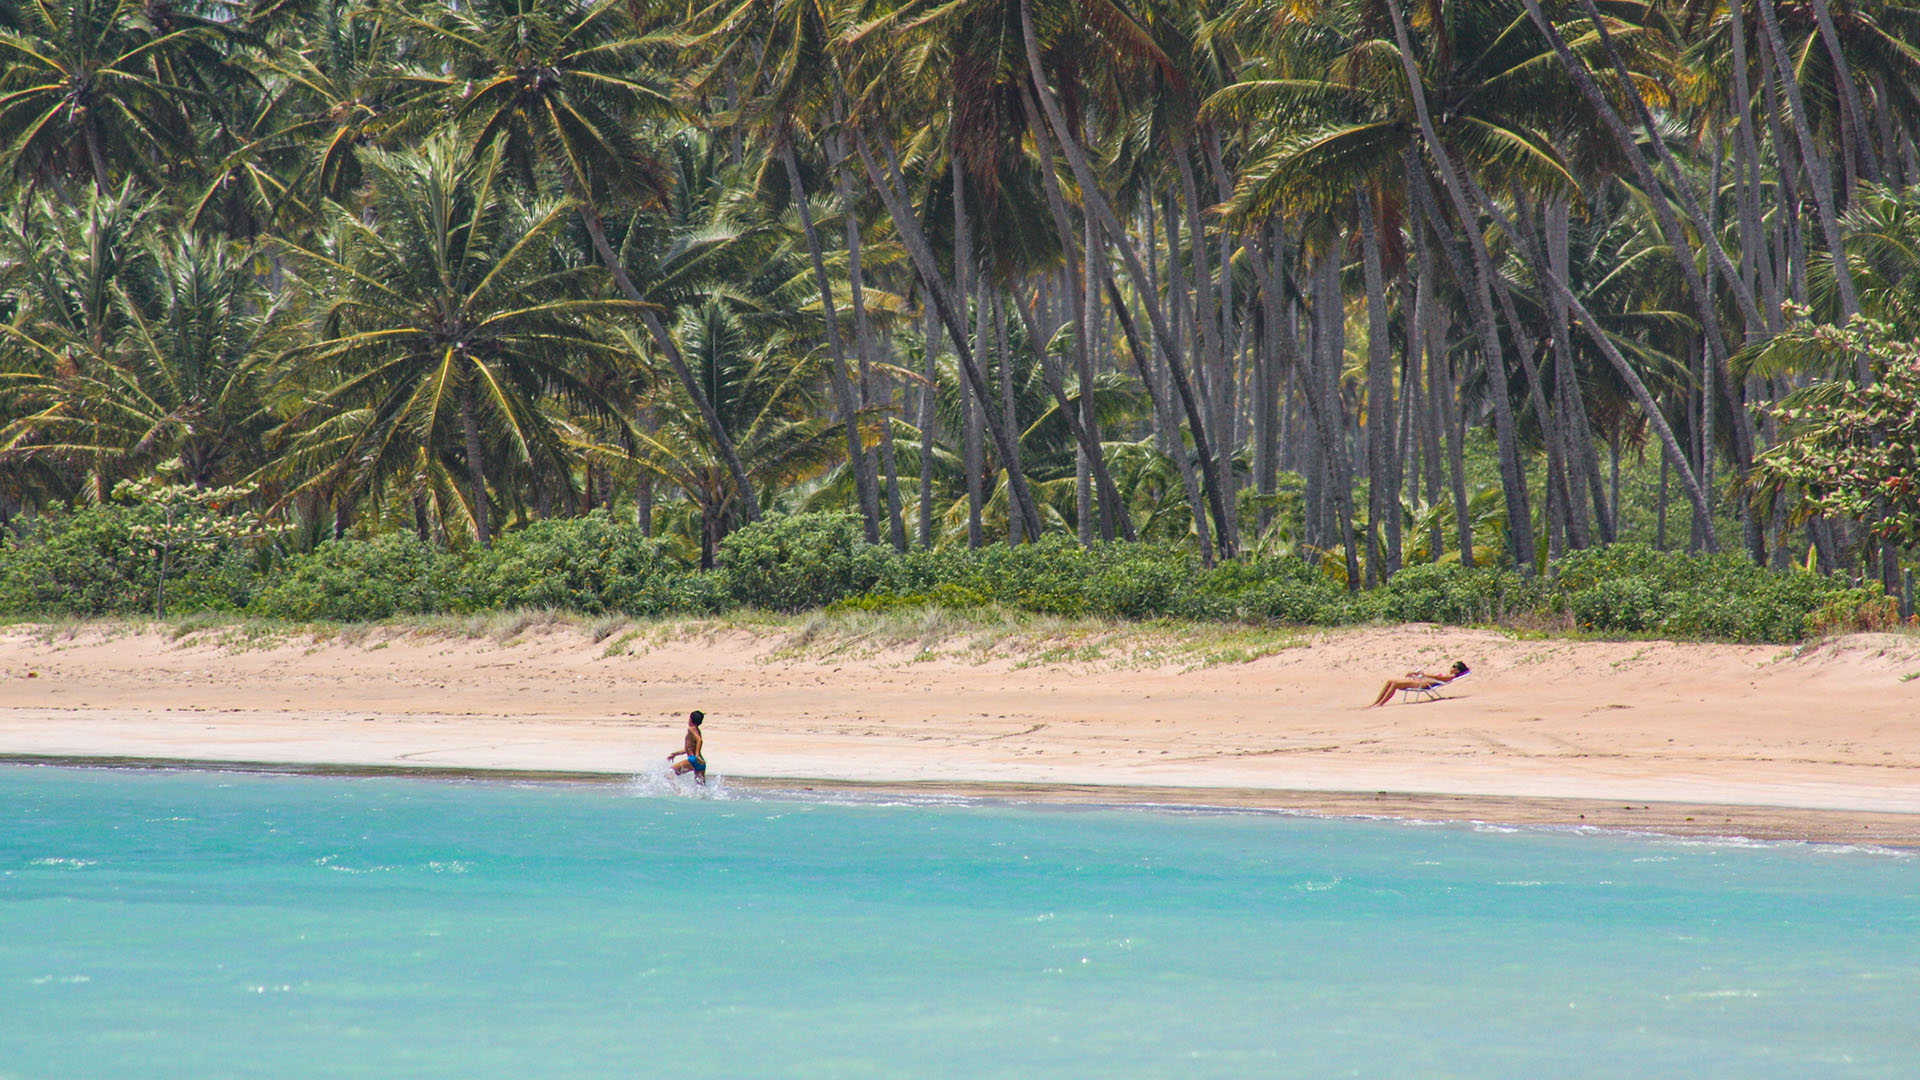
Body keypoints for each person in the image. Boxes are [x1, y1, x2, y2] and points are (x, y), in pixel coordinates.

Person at [1368, 661, 1469, 707]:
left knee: (1394, 684)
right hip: (1420, 681)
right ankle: (1376, 702)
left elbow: (1437, 678)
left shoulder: (1450, 676)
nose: (1452, 667)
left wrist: (1423, 674)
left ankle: (1380, 704)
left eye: (1454, 666)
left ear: (1457, 670)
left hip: (1422, 684)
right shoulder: (1448, 675)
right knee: (1390, 681)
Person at [667, 710, 707, 783]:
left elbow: (699, 740)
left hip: (693, 760)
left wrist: (697, 755)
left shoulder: (691, 729)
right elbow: (689, 749)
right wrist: (675, 754)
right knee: (701, 788)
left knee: (670, 773)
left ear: (690, 719)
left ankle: (679, 793)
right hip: (701, 763)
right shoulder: (698, 731)